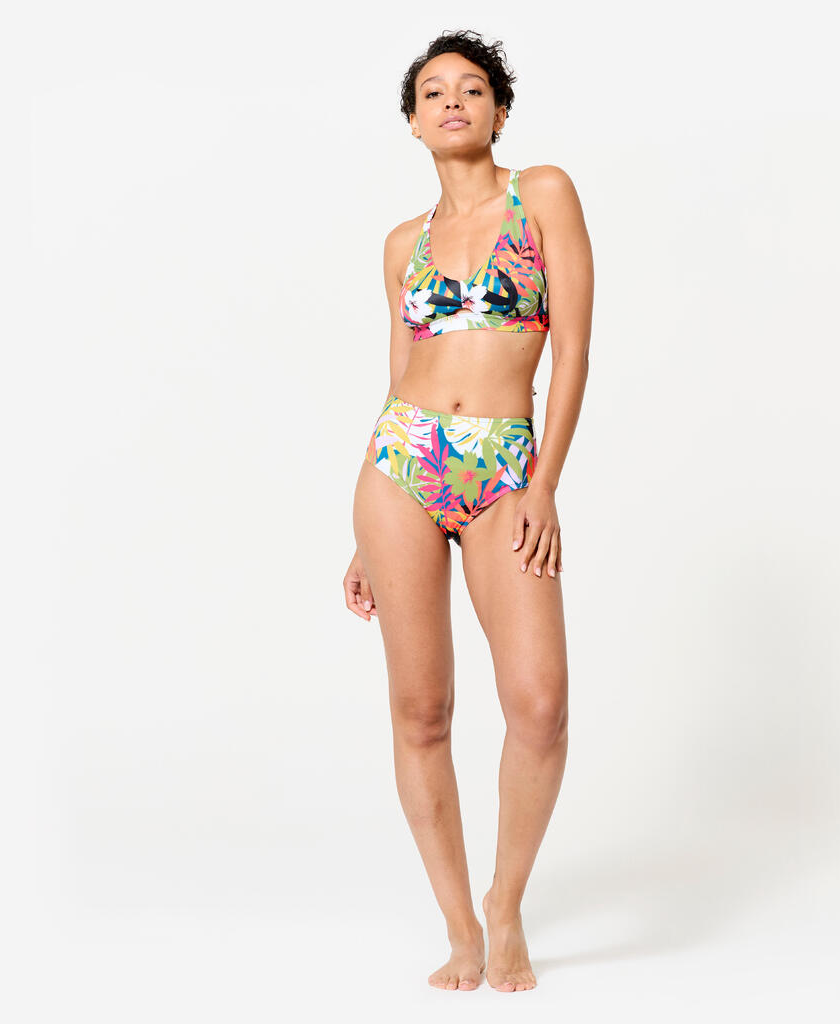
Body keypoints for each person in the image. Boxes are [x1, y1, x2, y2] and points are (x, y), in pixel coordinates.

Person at [343, 28, 593, 992]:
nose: (453, 101)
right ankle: (458, 929)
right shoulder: (400, 245)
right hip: (401, 465)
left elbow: (571, 350)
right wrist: (359, 539)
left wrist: (544, 484)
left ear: (499, 110)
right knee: (422, 710)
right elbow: (399, 376)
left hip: (504, 468)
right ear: (413, 122)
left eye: (473, 88)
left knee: (539, 704)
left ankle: (505, 901)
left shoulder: (545, 195)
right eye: (433, 92)